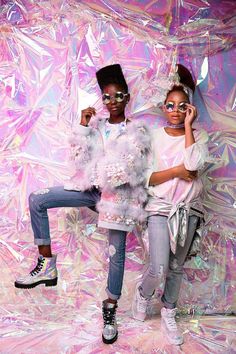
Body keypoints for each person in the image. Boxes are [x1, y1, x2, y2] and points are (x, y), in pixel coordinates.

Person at [14, 64, 151, 344]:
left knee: (116, 253)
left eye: (118, 96)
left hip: (119, 198)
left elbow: (127, 170)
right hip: (91, 191)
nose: (112, 102)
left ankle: (110, 309)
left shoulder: (138, 131)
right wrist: (82, 128)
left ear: (127, 98)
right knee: (38, 199)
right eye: (106, 97)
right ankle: (46, 264)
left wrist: (98, 171)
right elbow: (79, 161)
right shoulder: (96, 127)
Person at [132, 64, 209, 346]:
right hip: (160, 208)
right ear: (163, 107)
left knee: (177, 267)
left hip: (188, 210)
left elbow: (193, 165)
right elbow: (146, 177)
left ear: (190, 108)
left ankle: (168, 310)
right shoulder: (153, 137)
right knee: (159, 266)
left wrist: (189, 128)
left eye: (182, 106)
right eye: (170, 105)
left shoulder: (199, 137)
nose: (176, 110)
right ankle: (143, 293)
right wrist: (176, 172)